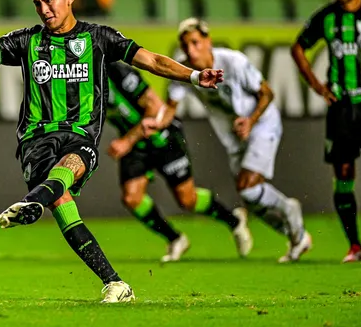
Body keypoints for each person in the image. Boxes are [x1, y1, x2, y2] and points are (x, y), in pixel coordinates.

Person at [0, 0, 223, 303]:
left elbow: (151, 61)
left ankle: (35, 204)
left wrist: (193, 77)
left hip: (79, 137)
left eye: (49, 0)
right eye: (38, 4)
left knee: (73, 162)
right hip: (36, 139)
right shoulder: (28, 41)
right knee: (63, 202)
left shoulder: (99, 38)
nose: (44, 10)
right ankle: (113, 281)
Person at [160, 18, 312, 263]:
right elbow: (169, 108)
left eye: (196, 43)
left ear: (208, 41)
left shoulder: (234, 61)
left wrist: (251, 120)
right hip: (233, 136)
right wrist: (153, 124)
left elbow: (267, 93)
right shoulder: (186, 72)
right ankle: (297, 235)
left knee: (248, 187)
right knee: (252, 200)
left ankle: (289, 209)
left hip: (261, 124)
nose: (191, 50)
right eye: (186, 45)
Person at [104, 61, 253, 262]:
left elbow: (155, 107)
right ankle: (175, 239)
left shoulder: (116, 71)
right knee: (132, 198)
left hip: (161, 135)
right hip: (135, 143)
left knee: (187, 200)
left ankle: (235, 221)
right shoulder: (81, 81)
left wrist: (127, 141)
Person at [290, 0, 361, 264]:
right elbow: (297, 48)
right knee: (343, 173)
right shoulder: (327, 17)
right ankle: (355, 246)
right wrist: (318, 87)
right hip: (341, 107)